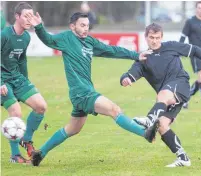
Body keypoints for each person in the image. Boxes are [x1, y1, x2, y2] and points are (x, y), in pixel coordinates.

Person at [24, 11, 154, 166]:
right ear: (72, 26)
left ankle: (40, 154)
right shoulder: (66, 38)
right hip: (82, 93)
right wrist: (39, 27)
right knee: (114, 109)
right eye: (82, 25)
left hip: (83, 93)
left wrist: (136, 55)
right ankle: (145, 133)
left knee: (72, 129)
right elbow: (48, 39)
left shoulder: (90, 42)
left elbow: (111, 50)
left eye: (87, 25)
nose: (86, 28)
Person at [120, 23, 201, 167]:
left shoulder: (171, 46)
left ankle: (149, 119)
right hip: (168, 98)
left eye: (157, 37)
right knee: (162, 125)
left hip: (180, 85)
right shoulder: (142, 59)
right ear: (146, 38)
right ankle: (183, 157)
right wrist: (125, 79)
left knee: (162, 95)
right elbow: (131, 74)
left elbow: (195, 50)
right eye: (151, 37)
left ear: (161, 37)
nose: (154, 41)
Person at [1, 2, 47, 164]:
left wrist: (25, 81)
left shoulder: (26, 37)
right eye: (26, 16)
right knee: (16, 113)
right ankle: (15, 155)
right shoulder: (4, 35)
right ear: (17, 17)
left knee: (41, 106)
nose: (30, 19)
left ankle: (26, 139)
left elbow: (22, 60)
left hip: (18, 79)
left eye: (31, 15)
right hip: (2, 80)